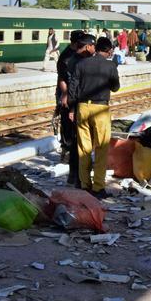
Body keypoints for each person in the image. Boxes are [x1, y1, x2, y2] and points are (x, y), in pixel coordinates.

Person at [69, 36, 120, 198]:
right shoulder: (110, 65)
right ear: (109, 50)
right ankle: (98, 187)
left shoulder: (81, 64)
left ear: (96, 47)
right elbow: (115, 87)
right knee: (101, 148)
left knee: (84, 149)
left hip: (83, 107)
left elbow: (73, 88)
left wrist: (72, 108)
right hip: (100, 109)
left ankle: (85, 185)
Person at [56, 31, 88, 186]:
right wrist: (66, 95)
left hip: (76, 99)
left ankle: (77, 173)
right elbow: (63, 79)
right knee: (73, 138)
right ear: (77, 43)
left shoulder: (78, 55)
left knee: (77, 139)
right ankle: (75, 174)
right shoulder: (66, 57)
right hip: (69, 101)